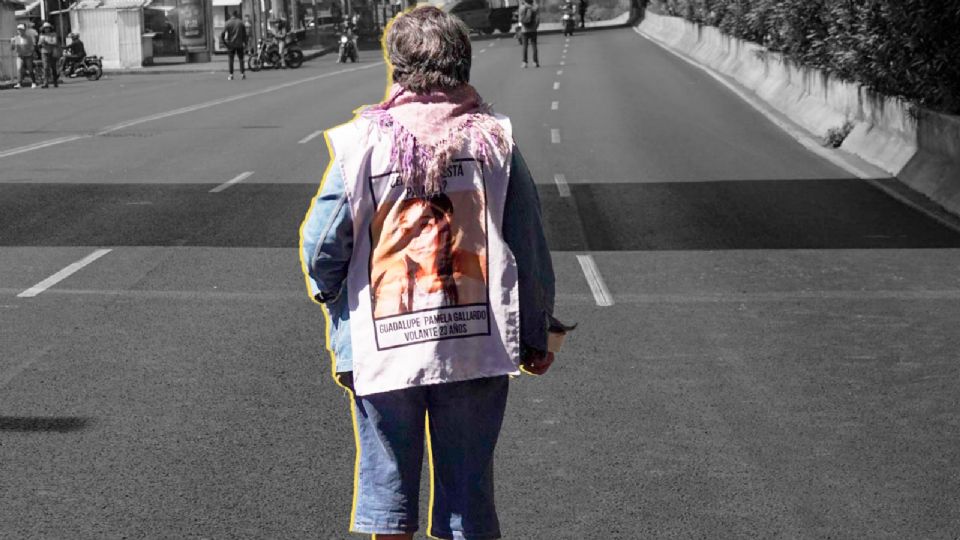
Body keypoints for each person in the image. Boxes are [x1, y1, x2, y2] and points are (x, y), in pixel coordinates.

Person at [300, 6, 557, 539]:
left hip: (382, 343)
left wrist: (335, 300)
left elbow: (324, 243)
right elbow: (527, 244)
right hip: (474, 346)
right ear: (462, 64)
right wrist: (536, 333)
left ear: (397, 67)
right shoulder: (494, 142)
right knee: (468, 497)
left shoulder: (362, 142)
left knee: (388, 495)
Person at [220, 10, 247, 80]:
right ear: (237, 14)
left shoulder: (228, 23)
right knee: (241, 59)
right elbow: (244, 34)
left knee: (231, 59)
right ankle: (242, 74)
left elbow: (223, 33)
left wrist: (224, 42)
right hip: (239, 43)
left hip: (231, 44)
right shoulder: (240, 23)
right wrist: (245, 43)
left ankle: (231, 74)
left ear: (231, 15)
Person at [10, 24, 37, 89]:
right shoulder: (16, 38)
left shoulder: (28, 37)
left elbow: (32, 46)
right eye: (19, 30)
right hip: (20, 56)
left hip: (28, 55)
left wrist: (31, 53)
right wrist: (12, 43)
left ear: (24, 30)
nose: (20, 31)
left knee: (30, 69)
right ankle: (19, 83)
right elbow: (12, 48)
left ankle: (33, 82)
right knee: (19, 69)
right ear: (17, 31)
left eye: (21, 30)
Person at [37, 22, 61, 88]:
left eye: (48, 28)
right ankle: (45, 83)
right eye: (45, 28)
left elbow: (55, 42)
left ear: (50, 28)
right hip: (44, 52)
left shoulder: (53, 34)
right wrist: (40, 44)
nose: (47, 29)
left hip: (52, 52)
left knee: (53, 67)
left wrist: (47, 42)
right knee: (45, 67)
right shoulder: (41, 35)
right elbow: (39, 43)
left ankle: (55, 82)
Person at [518, 0, 539, 68]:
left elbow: (520, 19)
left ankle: (524, 62)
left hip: (524, 30)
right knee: (534, 45)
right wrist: (536, 26)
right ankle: (535, 62)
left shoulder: (522, 7)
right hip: (533, 29)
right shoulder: (535, 7)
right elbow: (538, 18)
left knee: (525, 46)